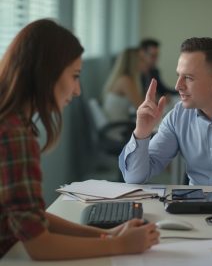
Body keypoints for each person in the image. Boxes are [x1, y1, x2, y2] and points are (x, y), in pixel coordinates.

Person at [0, 19, 159, 260]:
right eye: (75, 76)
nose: (77, 91)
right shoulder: (14, 135)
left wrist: (107, 235)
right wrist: (119, 246)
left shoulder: (13, 123)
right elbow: (39, 245)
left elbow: (33, 219)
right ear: (47, 73)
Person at [119, 37, 212, 186]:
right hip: (196, 206)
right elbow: (134, 177)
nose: (177, 86)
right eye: (178, 76)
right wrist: (141, 132)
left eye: (188, 77)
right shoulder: (178, 116)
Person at [102, 47, 146, 122]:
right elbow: (142, 108)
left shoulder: (124, 78)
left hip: (122, 123)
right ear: (133, 62)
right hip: (119, 129)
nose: (146, 61)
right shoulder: (126, 81)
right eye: (142, 59)